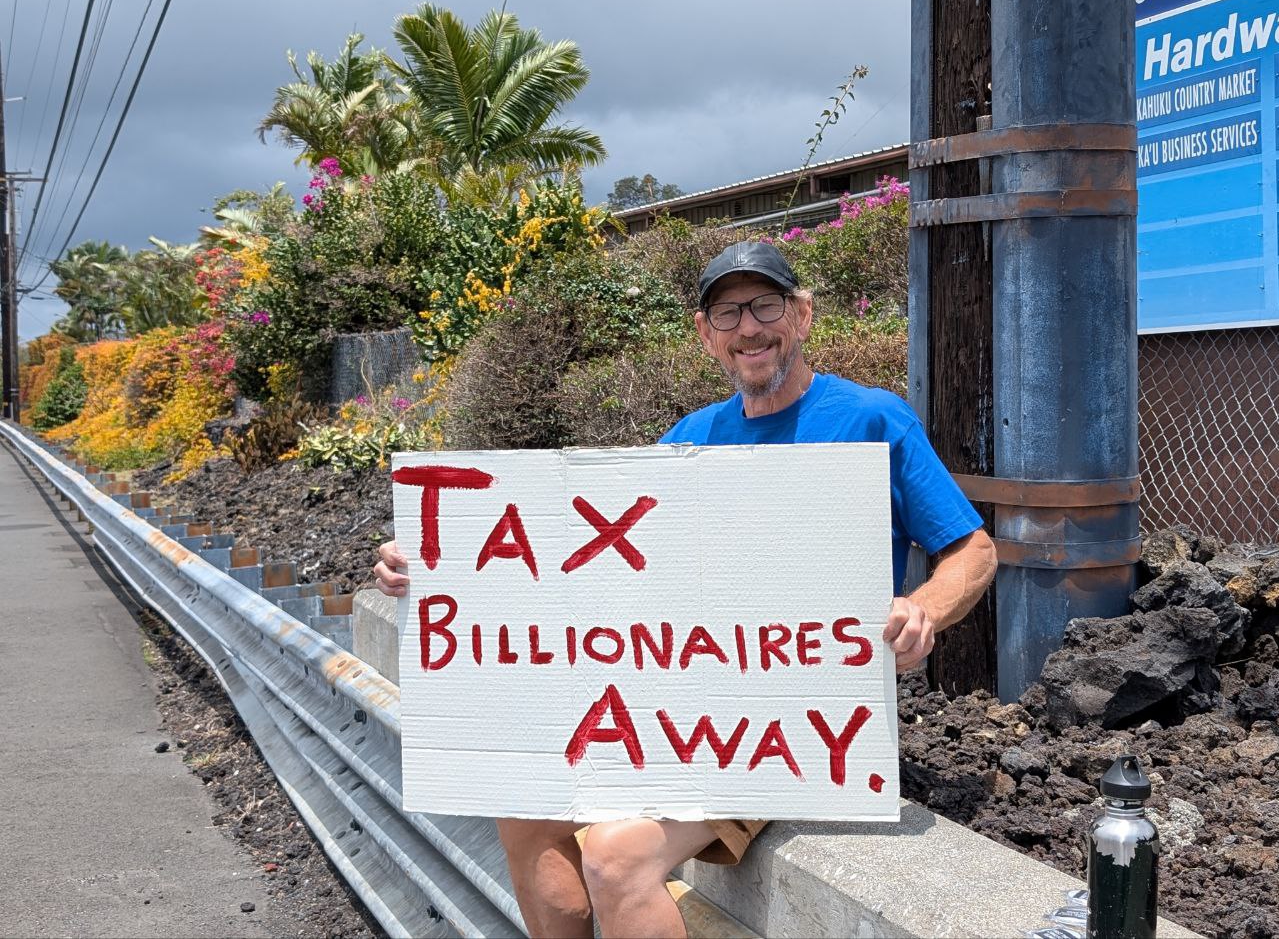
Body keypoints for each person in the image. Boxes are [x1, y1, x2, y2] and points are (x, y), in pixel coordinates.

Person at [373, 240, 998, 938]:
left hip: (788, 729)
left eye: (765, 305)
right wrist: (436, 563)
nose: (748, 328)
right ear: (705, 335)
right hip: (672, 717)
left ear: (802, 316)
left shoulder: (873, 420)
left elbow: (973, 550)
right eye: (727, 313)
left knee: (615, 857)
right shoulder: (687, 441)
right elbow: (594, 574)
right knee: (521, 810)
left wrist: (923, 610)